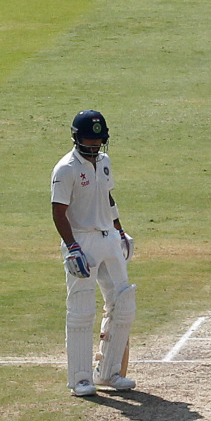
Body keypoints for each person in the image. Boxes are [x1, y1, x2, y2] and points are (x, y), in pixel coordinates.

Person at [51, 109, 137, 397]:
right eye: (90, 139)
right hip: (82, 241)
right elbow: (58, 211)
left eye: (99, 140)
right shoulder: (66, 169)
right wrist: (72, 247)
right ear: (76, 138)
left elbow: (108, 197)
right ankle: (80, 379)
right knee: (81, 310)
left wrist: (120, 231)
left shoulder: (104, 161)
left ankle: (109, 372)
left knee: (123, 303)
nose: (95, 145)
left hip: (108, 238)